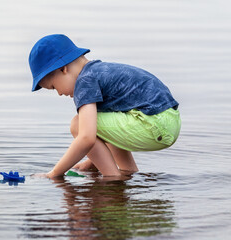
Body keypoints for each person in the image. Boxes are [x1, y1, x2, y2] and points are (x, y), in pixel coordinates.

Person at [29, 34, 181, 178]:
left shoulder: (85, 81)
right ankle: (127, 171)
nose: (59, 94)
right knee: (102, 120)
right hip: (168, 120)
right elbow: (107, 131)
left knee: (78, 124)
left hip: (154, 123)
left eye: (54, 87)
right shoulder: (99, 72)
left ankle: (112, 179)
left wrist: (54, 173)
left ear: (63, 69)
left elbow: (87, 138)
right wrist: (92, 161)